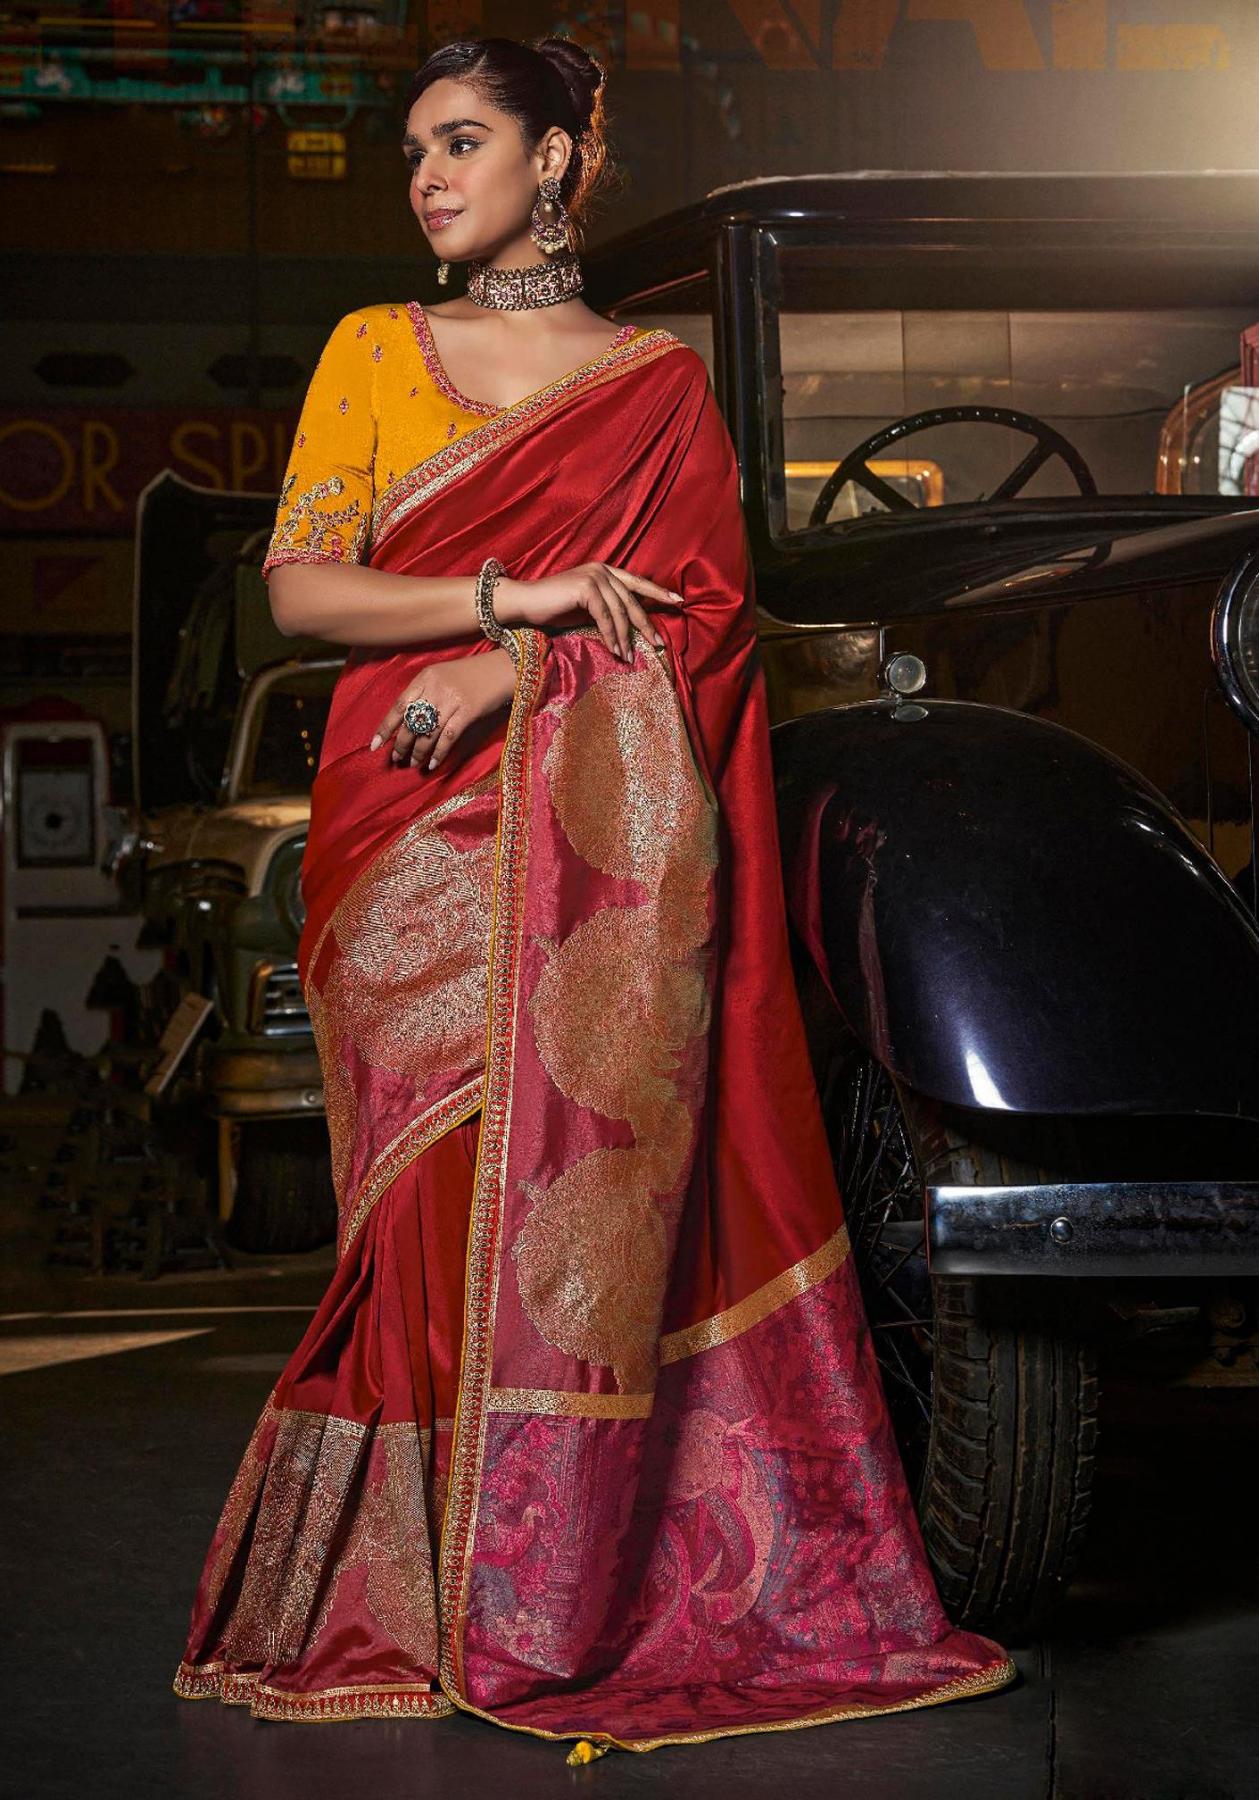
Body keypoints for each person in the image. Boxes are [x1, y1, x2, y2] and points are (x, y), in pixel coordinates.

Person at [171, 33, 1015, 1756]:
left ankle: (547, 1593)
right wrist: (516, 598)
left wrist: (509, 664)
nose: (427, 177)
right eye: (414, 150)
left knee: (575, 1214)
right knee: (423, 1212)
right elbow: (305, 593)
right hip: (402, 827)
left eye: (462, 142)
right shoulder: (374, 349)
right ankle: (409, 1602)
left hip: (579, 832)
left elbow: (700, 626)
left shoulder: (656, 389)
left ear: (554, 157)